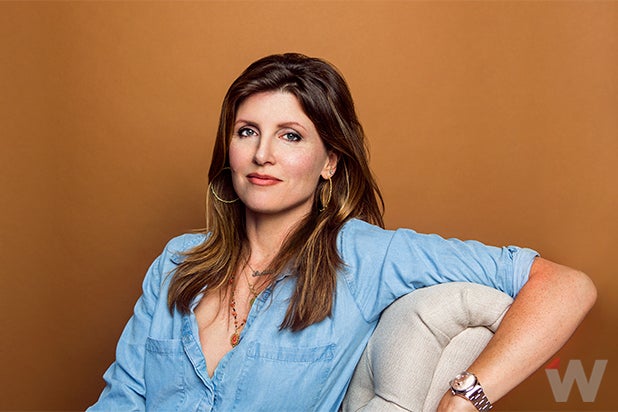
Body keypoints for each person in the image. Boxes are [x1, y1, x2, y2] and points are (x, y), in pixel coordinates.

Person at [88, 53, 596, 411]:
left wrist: (469, 396)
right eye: (247, 132)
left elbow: (567, 286)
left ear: (330, 161)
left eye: (290, 136)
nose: (262, 154)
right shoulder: (178, 261)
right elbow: (122, 400)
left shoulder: (365, 257)